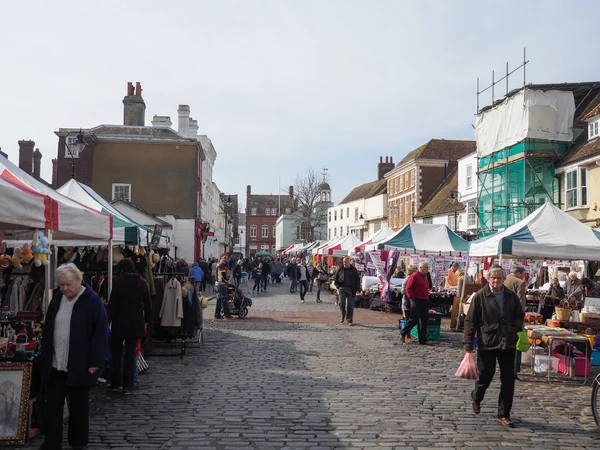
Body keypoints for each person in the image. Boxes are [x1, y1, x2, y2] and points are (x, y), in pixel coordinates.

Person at [40, 263, 108, 450]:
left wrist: (96, 362)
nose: (65, 288)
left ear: (79, 280)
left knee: (79, 407)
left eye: (68, 284)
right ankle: (52, 443)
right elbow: (49, 329)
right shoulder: (57, 299)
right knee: (53, 406)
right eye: (61, 285)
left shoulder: (92, 301)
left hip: (79, 363)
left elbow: (100, 334)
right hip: (56, 363)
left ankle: (78, 442)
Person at [463, 265, 525, 428]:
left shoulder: (511, 296)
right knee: (485, 375)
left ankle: (504, 413)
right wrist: (468, 343)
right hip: (488, 341)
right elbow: (470, 321)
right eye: (493, 277)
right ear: (488, 279)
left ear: (504, 279)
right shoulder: (481, 296)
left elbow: (520, 315)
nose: (496, 280)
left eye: (499, 277)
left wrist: (516, 327)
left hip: (508, 341)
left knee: (508, 379)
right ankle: (476, 397)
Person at [107, 258, 152, 395]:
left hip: (119, 323)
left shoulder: (119, 282)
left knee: (116, 354)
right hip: (135, 324)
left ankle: (116, 382)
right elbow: (148, 305)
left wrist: (107, 320)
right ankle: (128, 385)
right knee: (130, 355)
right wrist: (147, 321)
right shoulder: (142, 283)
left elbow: (112, 304)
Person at [503, 265, 527, 378]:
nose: (523, 276)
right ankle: (514, 369)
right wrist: (521, 318)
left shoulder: (504, 279)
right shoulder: (520, 282)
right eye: (523, 274)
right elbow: (520, 301)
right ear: (518, 273)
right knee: (516, 343)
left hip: (501, 315)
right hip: (513, 317)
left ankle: (504, 367)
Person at [400, 262, 431, 344]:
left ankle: (422, 340)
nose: (427, 269)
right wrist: (412, 298)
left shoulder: (425, 276)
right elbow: (408, 288)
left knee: (424, 320)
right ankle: (403, 333)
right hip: (416, 300)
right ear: (421, 268)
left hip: (424, 299)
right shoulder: (414, 276)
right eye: (426, 267)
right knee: (414, 319)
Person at [333, 257, 361, 326]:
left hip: (351, 289)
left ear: (349, 262)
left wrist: (358, 289)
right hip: (342, 288)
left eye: (346, 262)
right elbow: (336, 277)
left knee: (350, 305)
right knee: (342, 303)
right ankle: (343, 315)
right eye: (344, 262)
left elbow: (357, 279)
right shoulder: (341, 268)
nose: (344, 263)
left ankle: (349, 320)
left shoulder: (353, 269)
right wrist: (338, 286)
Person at [214, 255, 234, 319]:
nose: (228, 260)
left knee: (219, 299)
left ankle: (217, 314)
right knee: (224, 299)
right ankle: (227, 314)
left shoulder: (218, 264)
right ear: (224, 258)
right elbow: (223, 275)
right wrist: (227, 282)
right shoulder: (222, 265)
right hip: (221, 284)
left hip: (217, 283)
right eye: (227, 258)